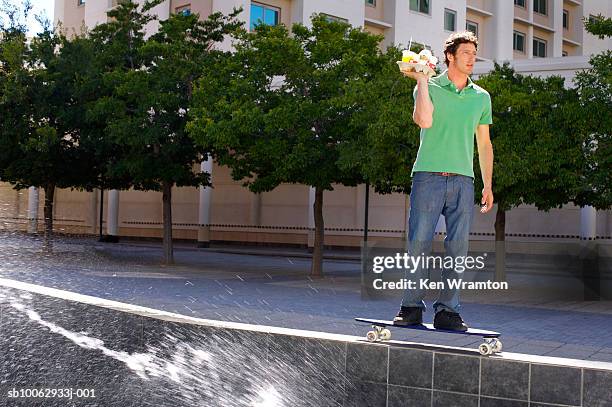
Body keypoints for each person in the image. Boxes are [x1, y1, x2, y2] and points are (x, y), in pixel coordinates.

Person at [393, 31, 494, 331]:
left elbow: (485, 144)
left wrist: (487, 184)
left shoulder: (481, 97)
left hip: (464, 181)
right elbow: (423, 120)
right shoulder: (431, 86)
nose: (471, 58)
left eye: (474, 54)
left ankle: (448, 312)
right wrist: (422, 79)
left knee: (458, 248)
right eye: (466, 53)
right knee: (418, 243)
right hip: (428, 177)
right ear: (450, 56)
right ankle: (411, 307)